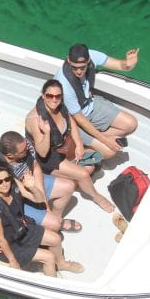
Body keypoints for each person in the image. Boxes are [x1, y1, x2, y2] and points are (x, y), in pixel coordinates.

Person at [0, 131, 79, 255]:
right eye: (22, 151)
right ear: (10, 155)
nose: (27, 150)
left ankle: (55, 218)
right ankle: (49, 228)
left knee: (69, 186)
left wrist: (42, 200)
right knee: (54, 225)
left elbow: (36, 167)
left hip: (31, 183)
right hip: (16, 199)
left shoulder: (25, 145)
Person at [25, 79, 117, 214]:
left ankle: (72, 179)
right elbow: (42, 153)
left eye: (58, 96)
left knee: (92, 160)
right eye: (50, 96)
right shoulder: (35, 120)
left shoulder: (60, 106)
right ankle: (96, 197)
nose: (54, 100)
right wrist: (47, 132)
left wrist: (79, 144)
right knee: (84, 173)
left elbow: (71, 122)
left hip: (62, 149)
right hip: (47, 159)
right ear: (43, 95)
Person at [0, 162, 84, 277]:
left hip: (21, 229)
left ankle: (61, 264)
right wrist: (13, 261)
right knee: (49, 257)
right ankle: (52, 288)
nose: (5, 184)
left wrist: (32, 187)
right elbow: (1, 240)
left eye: (7, 179)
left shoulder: (14, 184)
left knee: (56, 239)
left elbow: (38, 199)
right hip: (9, 245)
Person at [55, 43, 140, 159]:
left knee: (131, 124)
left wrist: (128, 64)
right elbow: (79, 118)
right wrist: (106, 141)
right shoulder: (64, 84)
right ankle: (75, 153)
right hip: (73, 120)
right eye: (74, 67)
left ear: (89, 60)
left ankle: (92, 140)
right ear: (68, 61)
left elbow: (120, 65)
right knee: (109, 152)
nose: (79, 71)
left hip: (89, 104)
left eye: (82, 67)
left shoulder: (92, 56)